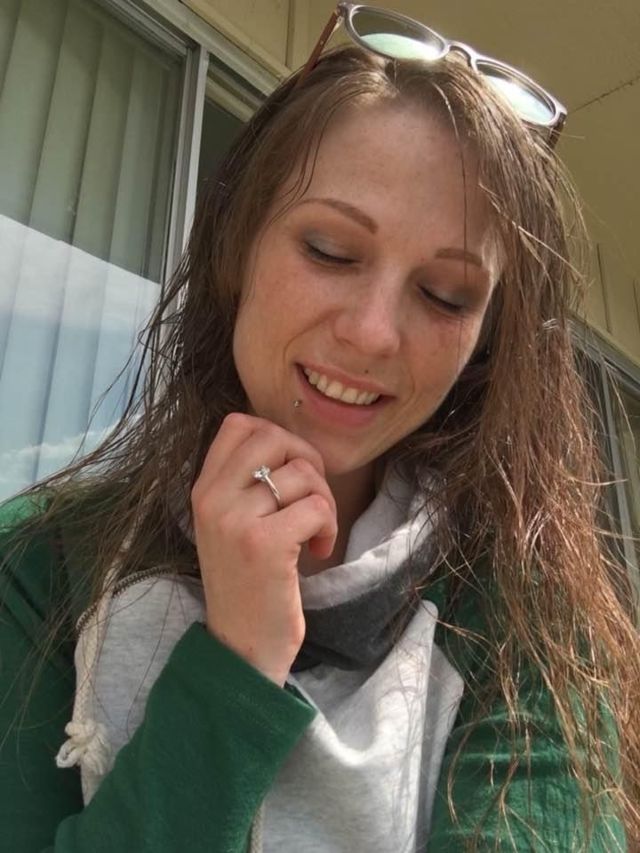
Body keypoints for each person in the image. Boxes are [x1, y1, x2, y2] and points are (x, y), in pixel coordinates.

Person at [1, 5, 638, 851]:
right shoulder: (40, 564)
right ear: (237, 246)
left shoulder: (528, 619)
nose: (373, 334)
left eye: (445, 296)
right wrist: (234, 662)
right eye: (331, 251)